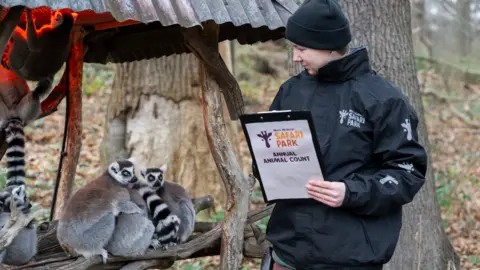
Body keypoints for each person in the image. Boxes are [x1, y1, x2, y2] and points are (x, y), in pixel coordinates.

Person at [253, 0, 429, 269]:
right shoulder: (291, 91)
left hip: (351, 255)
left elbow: (407, 172)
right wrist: (266, 166)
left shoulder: (383, 99)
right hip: (289, 250)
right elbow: (268, 154)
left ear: (328, 46)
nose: (295, 58)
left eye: (301, 49)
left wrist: (349, 192)